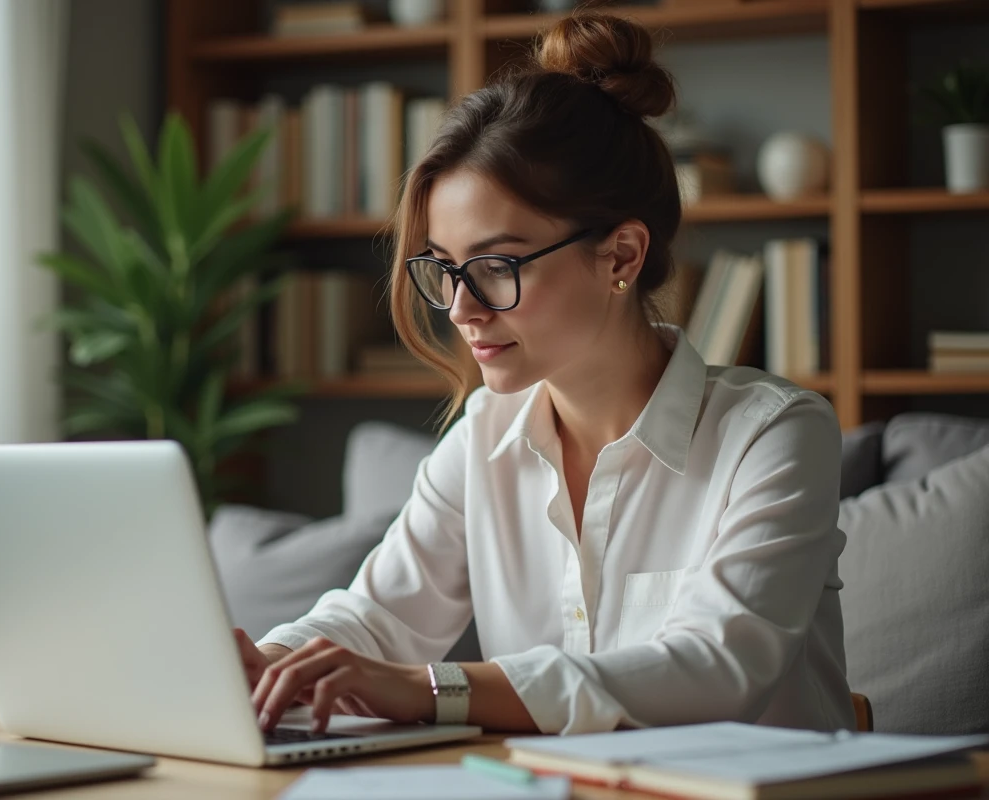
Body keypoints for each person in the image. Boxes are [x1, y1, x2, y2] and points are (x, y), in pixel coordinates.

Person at [235, 3, 856, 737]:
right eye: (445, 269)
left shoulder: (774, 435)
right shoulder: (484, 437)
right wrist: (267, 666)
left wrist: (431, 691)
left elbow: (716, 666)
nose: (462, 308)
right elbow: (377, 616)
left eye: (496, 266)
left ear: (621, 256)